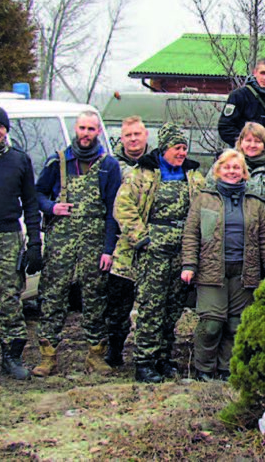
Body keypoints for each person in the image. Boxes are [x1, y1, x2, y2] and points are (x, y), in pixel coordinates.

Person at [114, 123, 206, 383]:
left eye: (184, 148)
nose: (182, 153)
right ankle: (144, 360)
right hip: (152, 254)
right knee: (151, 307)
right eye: (177, 148)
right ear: (164, 148)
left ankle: (164, 357)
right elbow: (123, 207)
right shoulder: (141, 175)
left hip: (182, 252)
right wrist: (141, 239)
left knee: (172, 308)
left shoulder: (194, 177)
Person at [33, 111, 122, 377]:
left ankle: (95, 355)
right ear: (76, 129)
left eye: (91, 129)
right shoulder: (58, 160)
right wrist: (51, 206)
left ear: (98, 132)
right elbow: (36, 193)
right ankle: (48, 356)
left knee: (95, 297)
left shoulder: (108, 165)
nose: (86, 133)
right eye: (82, 128)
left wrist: (108, 249)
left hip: (94, 243)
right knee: (52, 296)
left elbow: (112, 211)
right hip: (61, 241)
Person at [181, 149, 265, 381]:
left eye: (237, 168)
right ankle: (204, 369)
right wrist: (189, 264)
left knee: (236, 324)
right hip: (211, 270)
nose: (232, 171)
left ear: (244, 172)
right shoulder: (204, 198)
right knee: (212, 324)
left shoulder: (256, 203)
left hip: (245, 271)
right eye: (227, 167)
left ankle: (227, 369)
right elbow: (191, 234)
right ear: (218, 170)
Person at [0, 106, 42, 380]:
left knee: (9, 298)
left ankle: (11, 357)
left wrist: (34, 243)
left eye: (0, 126)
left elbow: (31, 203)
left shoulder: (19, 161)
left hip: (8, 237)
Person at [104, 116, 152, 368]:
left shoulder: (155, 165)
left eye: (137, 134)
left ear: (146, 136)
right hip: (120, 246)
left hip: (149, 245)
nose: (133, 139)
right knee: (118, 304)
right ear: (121, 139)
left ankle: (147, 352)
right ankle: (114, 351)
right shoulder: (111, 165)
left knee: (149, 303)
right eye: (128, 135)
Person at [218, 57, 265, 158]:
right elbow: (225, 127)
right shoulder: (239, 96)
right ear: (255, 72)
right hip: (242, 156)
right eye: (262, 73)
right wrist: (246, 144)